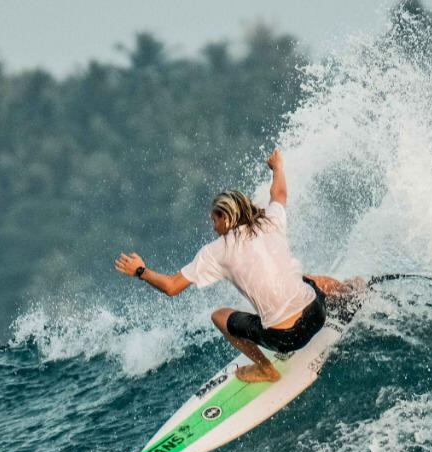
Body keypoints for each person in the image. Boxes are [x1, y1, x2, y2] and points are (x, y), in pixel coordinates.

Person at [114, 149, 349, 383]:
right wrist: (277, 166)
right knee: (310, 280)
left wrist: (140, 271)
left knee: (219, 316)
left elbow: (172, 287)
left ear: (226, 217)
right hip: (317, 314)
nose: (213, 227)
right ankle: (350, 295)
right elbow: (279, 192)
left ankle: (266, 370)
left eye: (214, 220)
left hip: (285, 339)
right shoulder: (270, 220)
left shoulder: (216, 251)